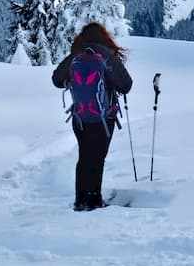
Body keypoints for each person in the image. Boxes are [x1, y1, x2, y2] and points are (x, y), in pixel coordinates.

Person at [51, 21, 133, 211]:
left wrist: (73, 81)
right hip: (104, 119)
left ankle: (81, 200)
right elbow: (126, 85)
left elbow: (56, 80)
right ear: (104, 37)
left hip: (79, 118)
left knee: (84, 156)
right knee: (97, 157)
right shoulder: (107, 55)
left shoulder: (75, 56)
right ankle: (94, 200)